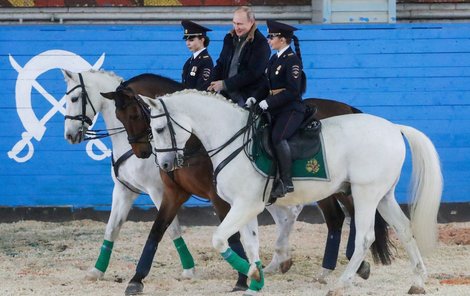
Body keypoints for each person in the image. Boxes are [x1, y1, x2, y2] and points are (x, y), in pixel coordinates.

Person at [258, 20, 307, 199]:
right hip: (275, 108)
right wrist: (255, 98)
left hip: (291, 109)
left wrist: (269, 103)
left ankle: (286, 181)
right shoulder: (274, 58)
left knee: (278, 137)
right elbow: (266, 86)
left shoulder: (292, 61)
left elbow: (293, 91)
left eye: (272, 37)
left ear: (283, 39)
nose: (269, 40)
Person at [207, 6, 270, 106]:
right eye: (234, 23)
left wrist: (224, 84)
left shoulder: (260, 43)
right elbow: (221, 64)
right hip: (226, 94)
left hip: (247, 95)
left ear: (251, 22)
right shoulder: (229, 38)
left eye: (240, 24)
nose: (236, 27)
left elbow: (253, 73)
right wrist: (211, 83)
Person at [181, 20, 214, 91]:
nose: (187, 43)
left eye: (191, 40)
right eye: (186, 40)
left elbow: (202, 89)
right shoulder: (189, 61)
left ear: (202, 40)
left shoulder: (206, 61)